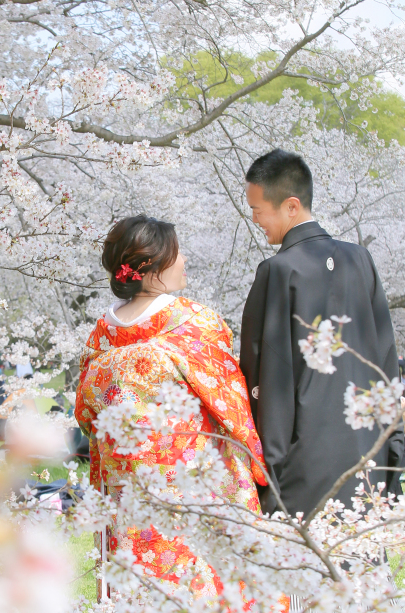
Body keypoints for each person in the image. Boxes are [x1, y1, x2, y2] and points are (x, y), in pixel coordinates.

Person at [76, 214, 267, 593]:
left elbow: (86, 414)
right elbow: (230, 397)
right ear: (155, 266)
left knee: (137, 588)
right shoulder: (193, 320)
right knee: (197, 591)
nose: (183, 263)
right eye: (177, 254)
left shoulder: (101, 334)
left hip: (127, 488)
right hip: (190, 488)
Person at [238, 149, 405, 517]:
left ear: (291, 206)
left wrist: (269, 465)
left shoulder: (277, 272)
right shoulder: (361, 260)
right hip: (368, 451)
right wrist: (392, 441)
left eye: (257, 209)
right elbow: (384, 355)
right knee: (361, 565)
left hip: (304, 462)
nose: (253, 219)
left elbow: (266, 376)